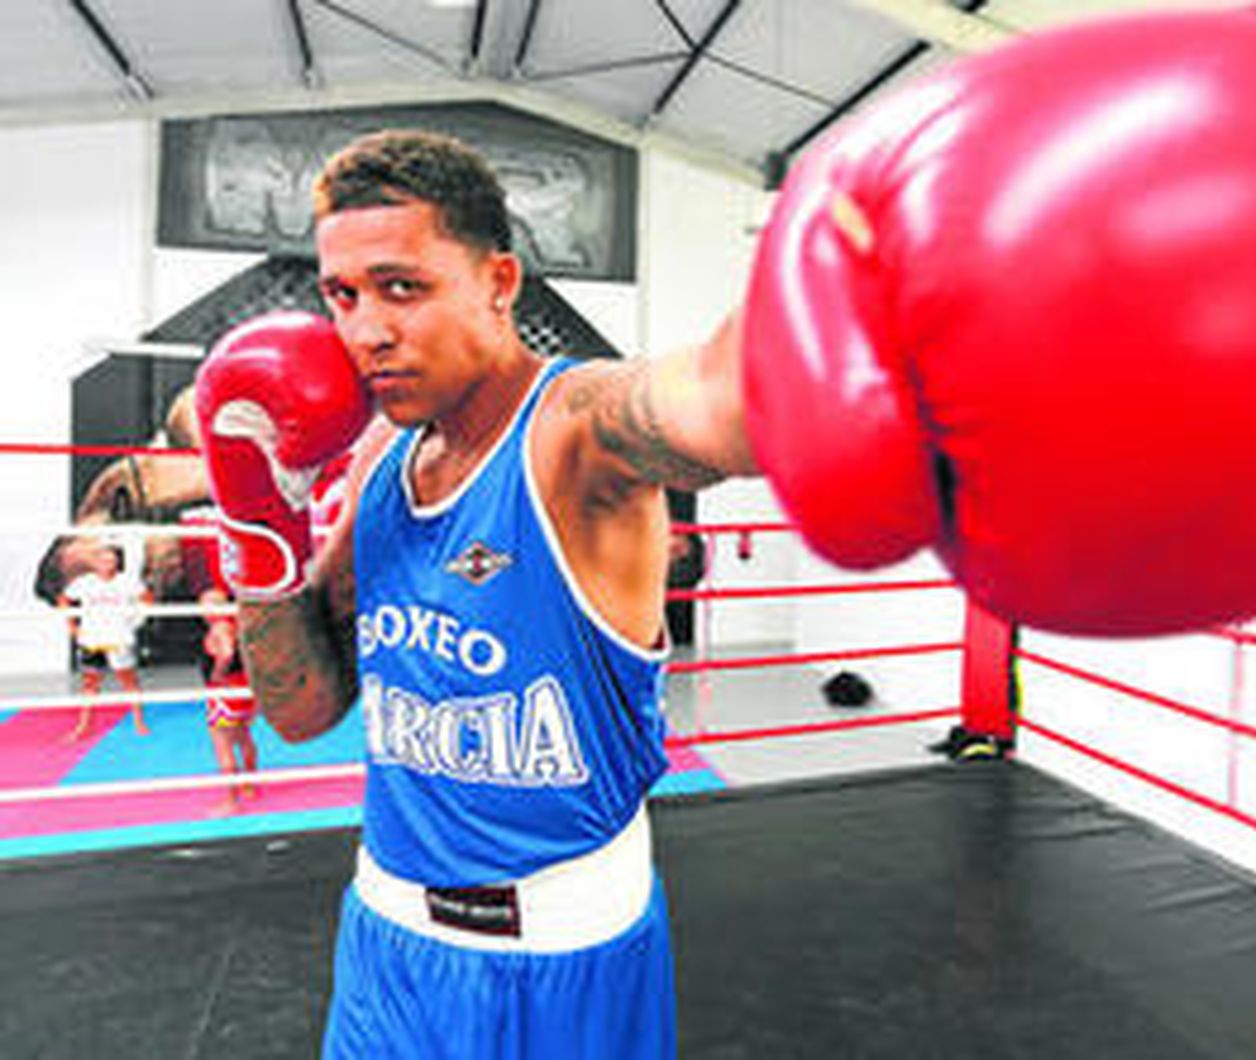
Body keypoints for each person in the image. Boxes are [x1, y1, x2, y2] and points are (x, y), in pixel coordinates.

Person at [197, 130, 754, 1059]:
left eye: (401, 286)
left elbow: (716, 402)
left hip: (559, 960)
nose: (366, 330)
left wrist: (859, 302)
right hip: (385, 941)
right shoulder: (380, 456)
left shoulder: (578, 433)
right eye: (342, 295)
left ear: (500, 283)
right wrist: (259, 527)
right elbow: (301, 710)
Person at [56, 541, 152, 742]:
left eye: (111, 559)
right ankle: (83, 725)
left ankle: (139, 721)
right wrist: (72, 625)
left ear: (117, 562)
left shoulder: (128, 581)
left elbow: (147, 598)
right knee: (90, 683)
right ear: (95, 562)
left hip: (119, 638)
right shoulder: (84, 582)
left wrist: (135, 621)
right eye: (103, 559)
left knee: (129, 681)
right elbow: (64, 599)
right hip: (92, 637)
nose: (107, 562)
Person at [197, 585, 258, 816]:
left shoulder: (220, 628)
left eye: (209, 604)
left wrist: (217, 673)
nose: (204, 609)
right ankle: (249, 785)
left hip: (224, 692)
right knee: (243, 738)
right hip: (243, 688)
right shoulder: (237, 624)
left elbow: (227, 652)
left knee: (222, 744)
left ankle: (231, 801)